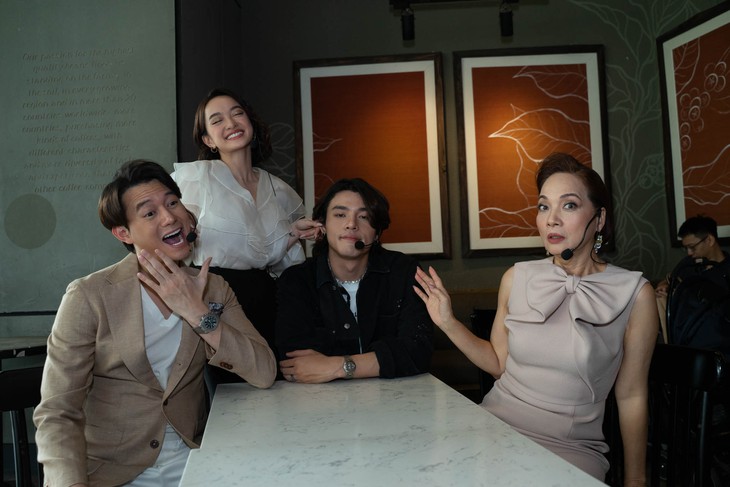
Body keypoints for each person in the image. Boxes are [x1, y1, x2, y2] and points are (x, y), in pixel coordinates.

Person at [414, 153, 658, 485]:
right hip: (493, 427)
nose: (551, 220)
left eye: (568, 205)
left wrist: (636, 480)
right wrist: (447, 322)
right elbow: (498, 363)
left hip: (570, 448)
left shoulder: (635, 293)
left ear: (599, 218)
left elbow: (631, 396)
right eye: (544, 206)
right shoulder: (516, 277)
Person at [33, 160, 276, 487]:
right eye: (149, 213)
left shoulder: (214, 287)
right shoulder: (89, 296)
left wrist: (197, 312)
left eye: (173, 202)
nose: (169, 217)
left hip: (194, 464)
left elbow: (264, 371)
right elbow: (57, 412)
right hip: (110, 474)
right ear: (123, 232)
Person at [171, 88, 322, 366]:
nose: (231, 123)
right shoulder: (196, 178)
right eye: (217, 120)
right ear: (208, 139)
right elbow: (172, 239)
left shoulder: (279, 190)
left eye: (237, 113)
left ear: (250, 122)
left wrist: (293, 234)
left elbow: (277, 262)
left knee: (270, 376)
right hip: (213, 299)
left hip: (267, 300)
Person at [275, 178, 434, 383]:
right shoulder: (297, 281)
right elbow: (295, 363)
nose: (351, 224)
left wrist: (338, 366)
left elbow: (418, 350)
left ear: (377, 232)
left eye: (364, 217)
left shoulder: (404, 272)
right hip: (320, 398)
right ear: (322, 225)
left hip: (397, 395)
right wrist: (382, 360)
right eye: (340, 215)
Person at [655, 215, 729, 346]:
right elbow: (668, 281)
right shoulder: (688, 264)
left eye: (692, 247)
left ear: (710, 240)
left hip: (718, 338)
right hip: (685, 336)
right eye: (686, 248)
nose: (689, 253)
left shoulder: (726, 270)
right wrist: (665, 286)